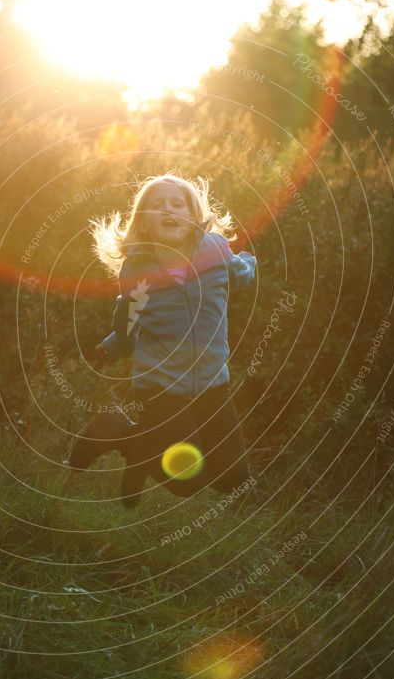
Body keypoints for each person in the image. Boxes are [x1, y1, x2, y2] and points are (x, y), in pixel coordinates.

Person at [67, 173, 257, 508]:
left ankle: (137, 446)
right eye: (156, 205)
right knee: (189, 483)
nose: (168, 209)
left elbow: (238, 272)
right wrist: (116, 345)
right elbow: (130, 317)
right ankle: (118, 433)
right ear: (143, 223)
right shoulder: (138, 270)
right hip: (162, 386)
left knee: (233, 478)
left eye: (176, 203)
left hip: (213, 383)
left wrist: (249, 266)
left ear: (192, 214)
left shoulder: (214, 249)